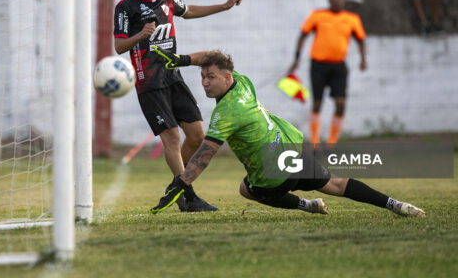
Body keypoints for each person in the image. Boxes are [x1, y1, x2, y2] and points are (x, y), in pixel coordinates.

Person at [149, 50, 424, 218]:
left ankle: (305, 205)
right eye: (203, 77)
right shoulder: (242, 82)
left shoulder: (226, 113)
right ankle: (395, 205)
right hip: (292, 150)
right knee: (335, 184)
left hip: (273, 173)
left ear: (226, 78)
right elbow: (212, 56)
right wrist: (183, 60)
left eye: (210, 77)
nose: (205, 83)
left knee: (247, 190)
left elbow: (205, 156)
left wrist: (181, 183)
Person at [113, 0, 242, 212]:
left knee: (197, 135)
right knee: (172, 137)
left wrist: (224, 6)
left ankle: (177, 185)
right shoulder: (125, 8)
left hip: (173, 77)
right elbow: (119, 47)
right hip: (148, 81)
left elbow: (189, 10)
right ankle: (188, 197)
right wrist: (141, 35)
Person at [288, 0, 367, 145]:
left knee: (341, 103)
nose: (337, 1)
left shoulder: (352, 19)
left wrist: (363, 59)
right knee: (317, 103)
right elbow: (303, 35)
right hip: (318, 65)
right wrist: (296, 58)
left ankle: (332, 141)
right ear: (329, 0)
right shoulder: (318, 15)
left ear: (344, 1)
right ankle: (315, 142)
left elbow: (361, 40)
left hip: (338, 66)